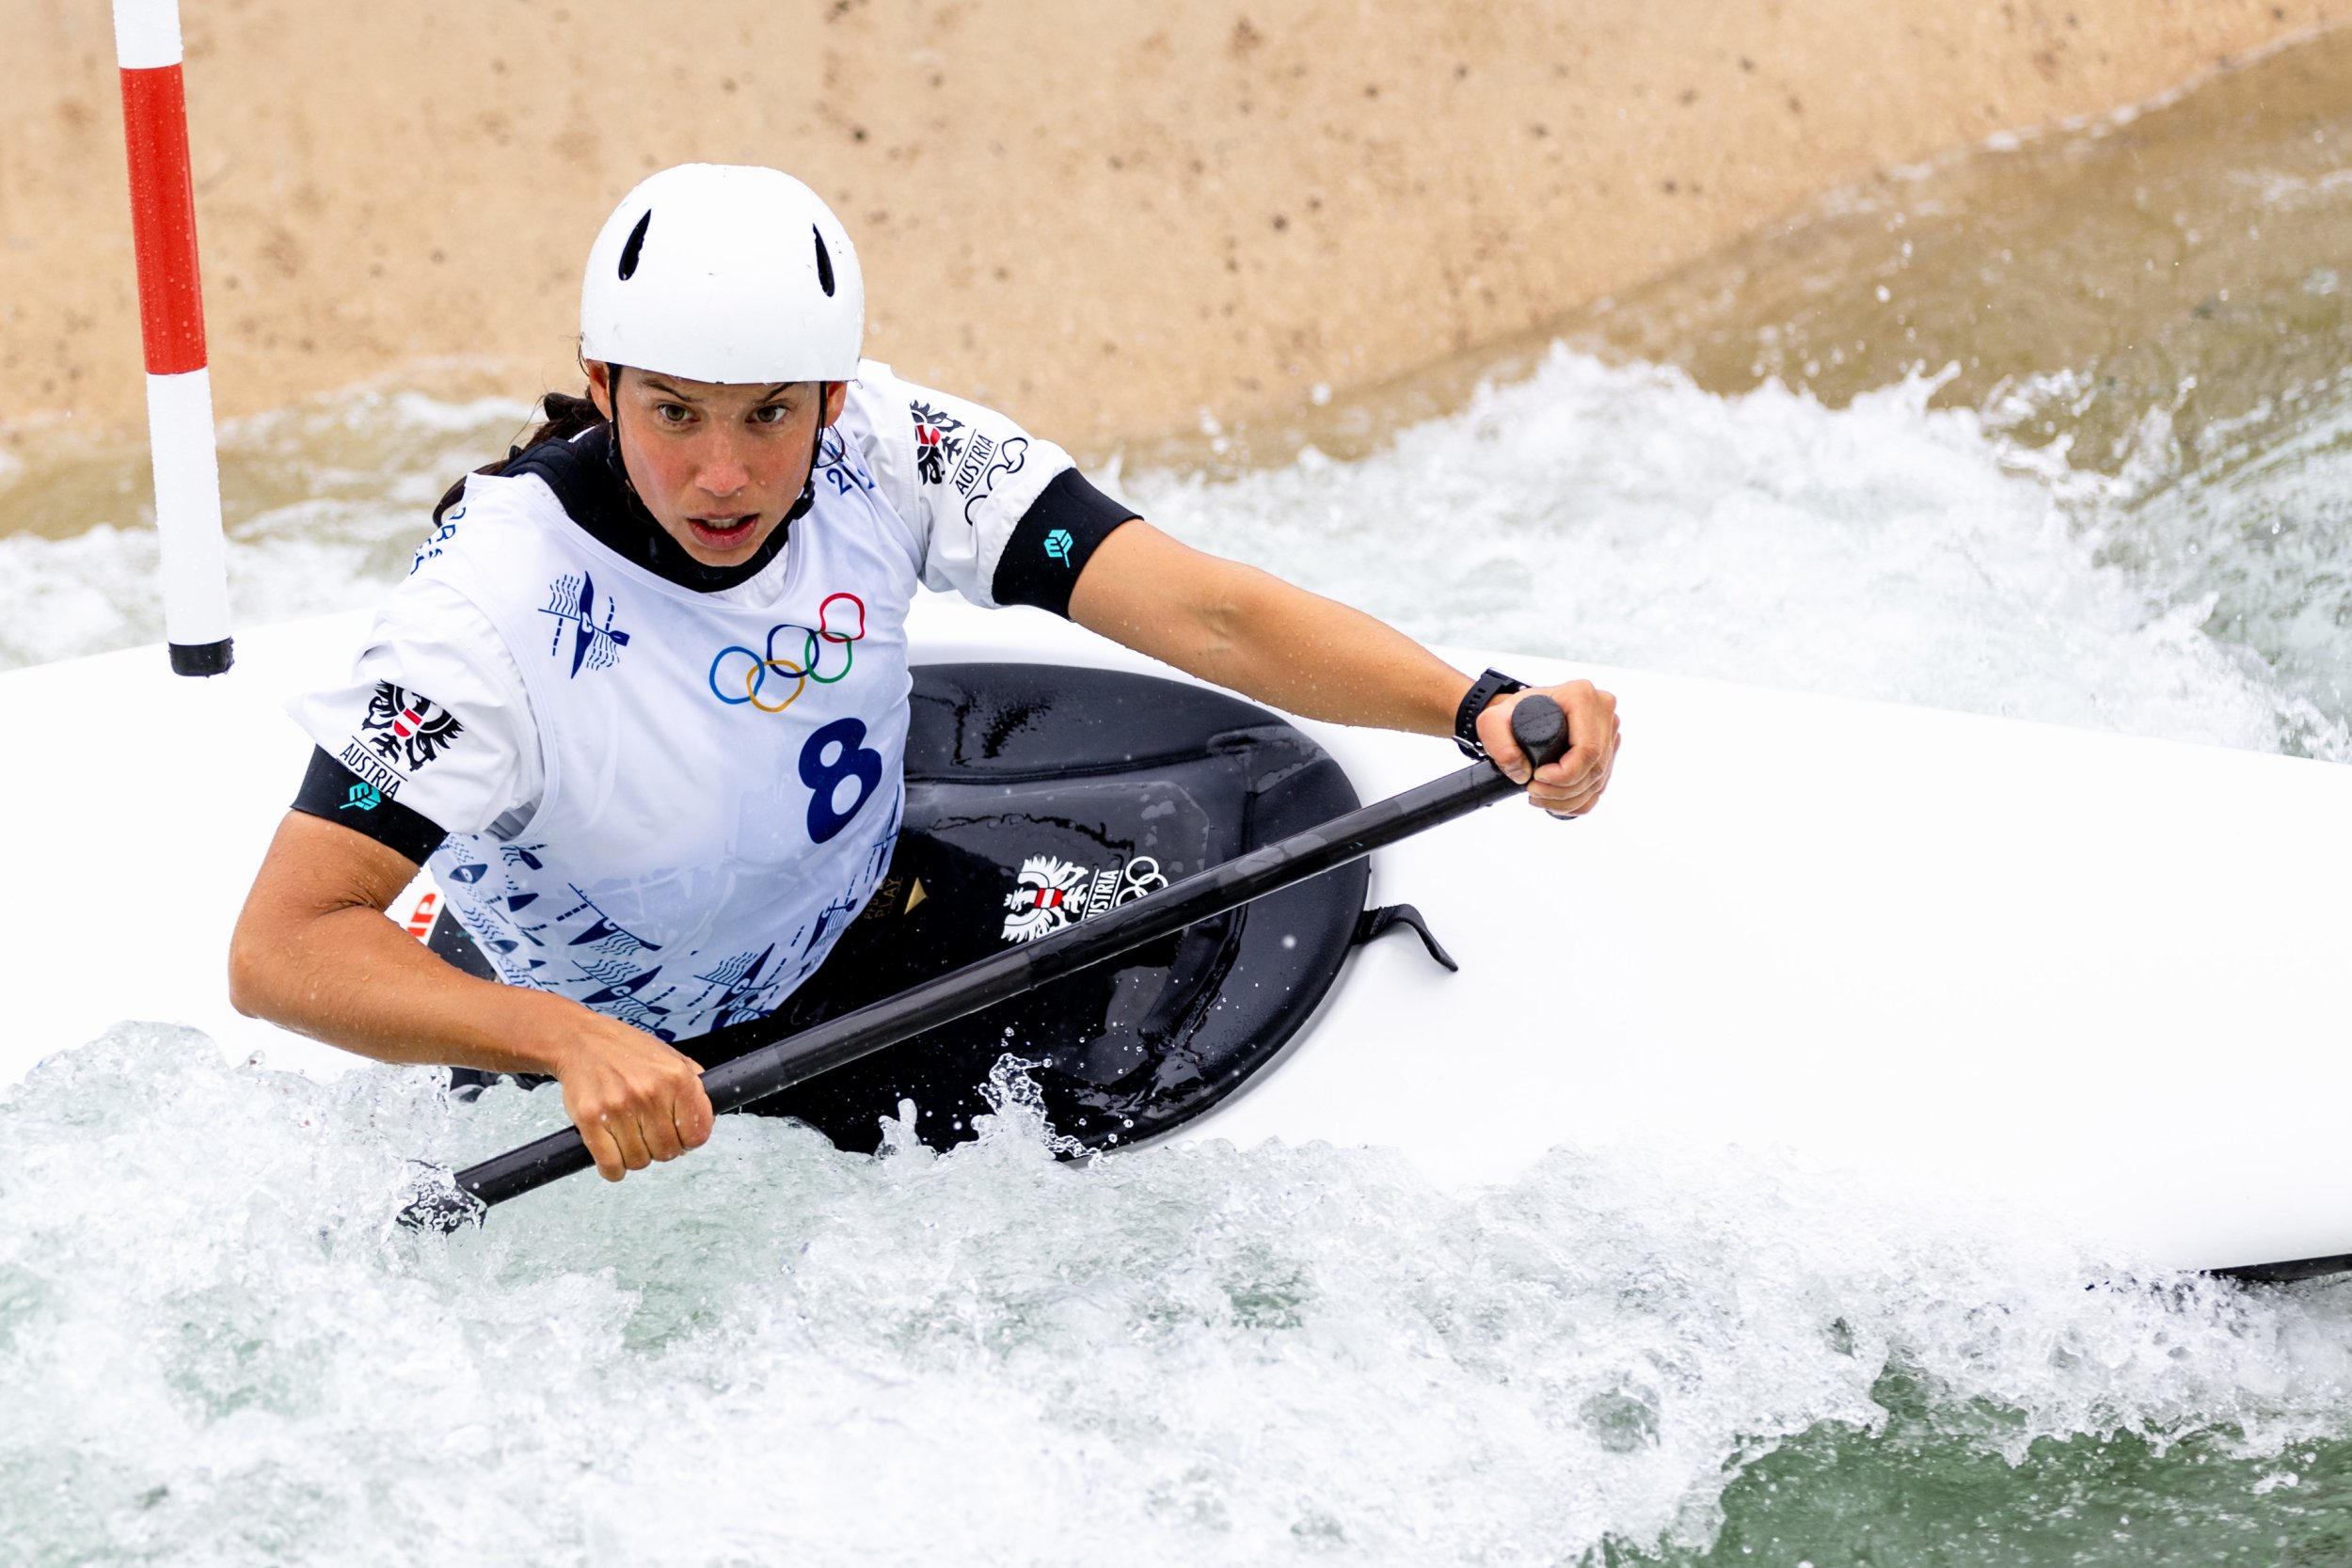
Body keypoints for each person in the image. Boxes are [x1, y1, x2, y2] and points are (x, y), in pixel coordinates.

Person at [227, 164, 1621, 1184]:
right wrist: (555, 1040)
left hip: (875, 934)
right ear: (603, 384)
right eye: (674, 415)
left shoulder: (890, 446)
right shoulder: (483, 620)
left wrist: (1475, 705)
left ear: (831, 393)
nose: (725, 472)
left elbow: (1206, 614)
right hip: (620, 1065)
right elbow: (283, 945)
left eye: (772, 413)